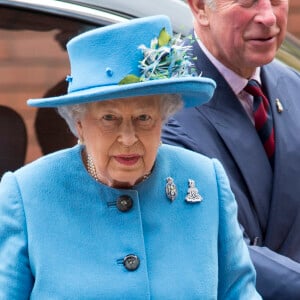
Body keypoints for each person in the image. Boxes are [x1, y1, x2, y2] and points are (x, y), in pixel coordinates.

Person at [0, 15, 261, 299]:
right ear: (79, 125)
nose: (128, 138)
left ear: (163, 119)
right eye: (109, 118)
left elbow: (240, 293)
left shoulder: (205, 181)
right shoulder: (26, 194)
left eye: (144, 118)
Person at [161, 1, 300, 299]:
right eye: (248, 2)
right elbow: (215, 244)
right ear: (199, 8)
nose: (268, 16)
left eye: (276, 0)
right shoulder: (162, 105)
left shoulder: (291, 84)